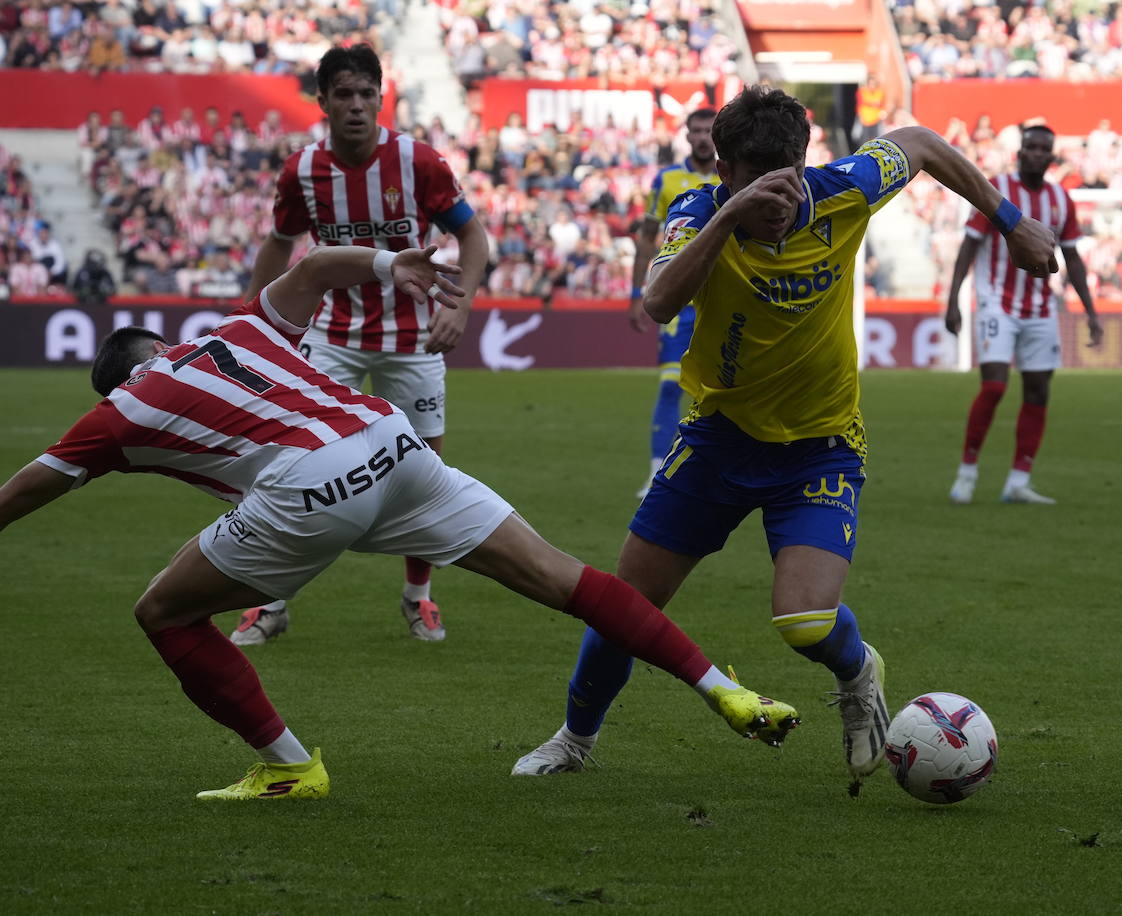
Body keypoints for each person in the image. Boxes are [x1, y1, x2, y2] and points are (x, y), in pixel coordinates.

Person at [0, 243, 800, 801]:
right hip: (395, 445)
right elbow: (313, 266)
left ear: (111, 387)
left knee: (163, 611)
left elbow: (28, 489)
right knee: (565, 577)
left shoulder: (120, 412)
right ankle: (726, 690)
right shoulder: (233, 329)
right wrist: (391, 265)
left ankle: (286, 767)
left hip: (310, 488)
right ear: (166, 341)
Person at [512, 86, 1058, 780]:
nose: (776, 202)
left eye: (786, 182)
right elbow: (657, 301)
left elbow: (919, 142)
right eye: (753, 185)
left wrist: (1011, 221)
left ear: (804, 165)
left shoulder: (844, 190)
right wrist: (729, 216)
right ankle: (575, 741)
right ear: (724, 173)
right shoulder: (697, 211)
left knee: (803, 622)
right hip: (718, 441)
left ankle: (859, 676)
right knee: (626, 605)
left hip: (819, 447)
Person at [237, 44, 489, 646]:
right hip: (332, 334)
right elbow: (279, 242)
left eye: (366, 94)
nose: (356, 106)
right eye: (343, 94)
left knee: (425, 466)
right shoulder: (301, 170)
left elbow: (472, 235)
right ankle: (268, 601)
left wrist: (464, 306)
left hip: (412, 337)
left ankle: (418, 597)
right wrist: (251, 319)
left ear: (382, 97)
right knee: (289, 458)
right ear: (322, 100)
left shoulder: (418, 162)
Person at [944, 124, 1102, 506]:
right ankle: (967, 472)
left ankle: (1018, 480)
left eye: (1042, 148)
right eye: (1028, 146)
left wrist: (1091, 312)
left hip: (1041, 308)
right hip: (997, 300)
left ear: (1051, 156)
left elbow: (1074, 259)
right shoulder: (996, 191)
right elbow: (969, 246)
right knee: (995, 386)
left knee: (1038, 392)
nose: (1034, 153)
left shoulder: (1061, 200)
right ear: (1019, 152)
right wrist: (952, 300)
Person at [628, 107, 718, 499]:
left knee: (717, 391)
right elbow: (648, 238)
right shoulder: (666, 181)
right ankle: (656, 474)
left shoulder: (736, 176)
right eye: (696, 130)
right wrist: (637, 294)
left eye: (708, 131)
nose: (702, 137)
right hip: (681, 301)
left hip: (722, 297)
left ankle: (717, 475)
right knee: (669, 387)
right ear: (686, 135)